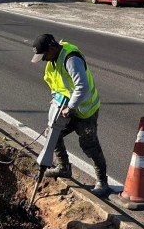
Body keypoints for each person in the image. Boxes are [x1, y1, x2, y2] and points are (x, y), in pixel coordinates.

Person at [30, 33, 111, 197]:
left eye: (44, 55)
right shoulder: (53, 60)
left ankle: (102, 182)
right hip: (66, 107)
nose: (43, 59)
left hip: (85, 110)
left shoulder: (71, 59)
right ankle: (64, 167)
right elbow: (55, 83)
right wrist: (55, 98)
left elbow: (82, 86)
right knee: (52, 134)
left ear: (52, 49)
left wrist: (70, 107)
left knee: (89, 145)